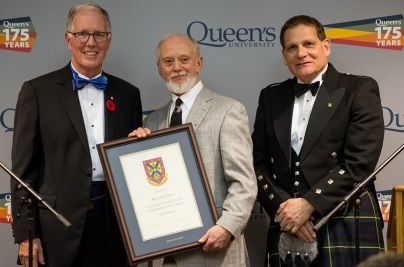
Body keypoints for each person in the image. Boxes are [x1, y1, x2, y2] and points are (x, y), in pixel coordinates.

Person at [10, 2, 142, 267]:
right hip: (56, 230)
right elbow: (22, 173)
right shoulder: (37, 91)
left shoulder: (129, 94)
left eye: (99, 34)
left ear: (109, 39)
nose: (90, 42)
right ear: (68, 39)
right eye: (82, 34)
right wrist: (26, 235)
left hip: (115, 226)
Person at [251, 15, 384, 266]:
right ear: (284, 56)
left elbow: (360, 163)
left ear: (326, 46)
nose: (301, 53)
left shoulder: (359, 89)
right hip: (287, 222)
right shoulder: (271, 97)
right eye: (292, 47)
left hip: (344, 217)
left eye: (309, 44)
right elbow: (257, 163)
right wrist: (286, 212)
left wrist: (310, 203)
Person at [129, 33, 257, 267]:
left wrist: (226, 227)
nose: (177, 67)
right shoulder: (151, 122)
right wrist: (135, 151)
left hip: (214, 251)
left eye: (184, 59)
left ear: (199, 63)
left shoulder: (229, 110)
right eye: (168, 62)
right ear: (159, 68)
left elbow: (244, 183)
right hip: (162, 255)